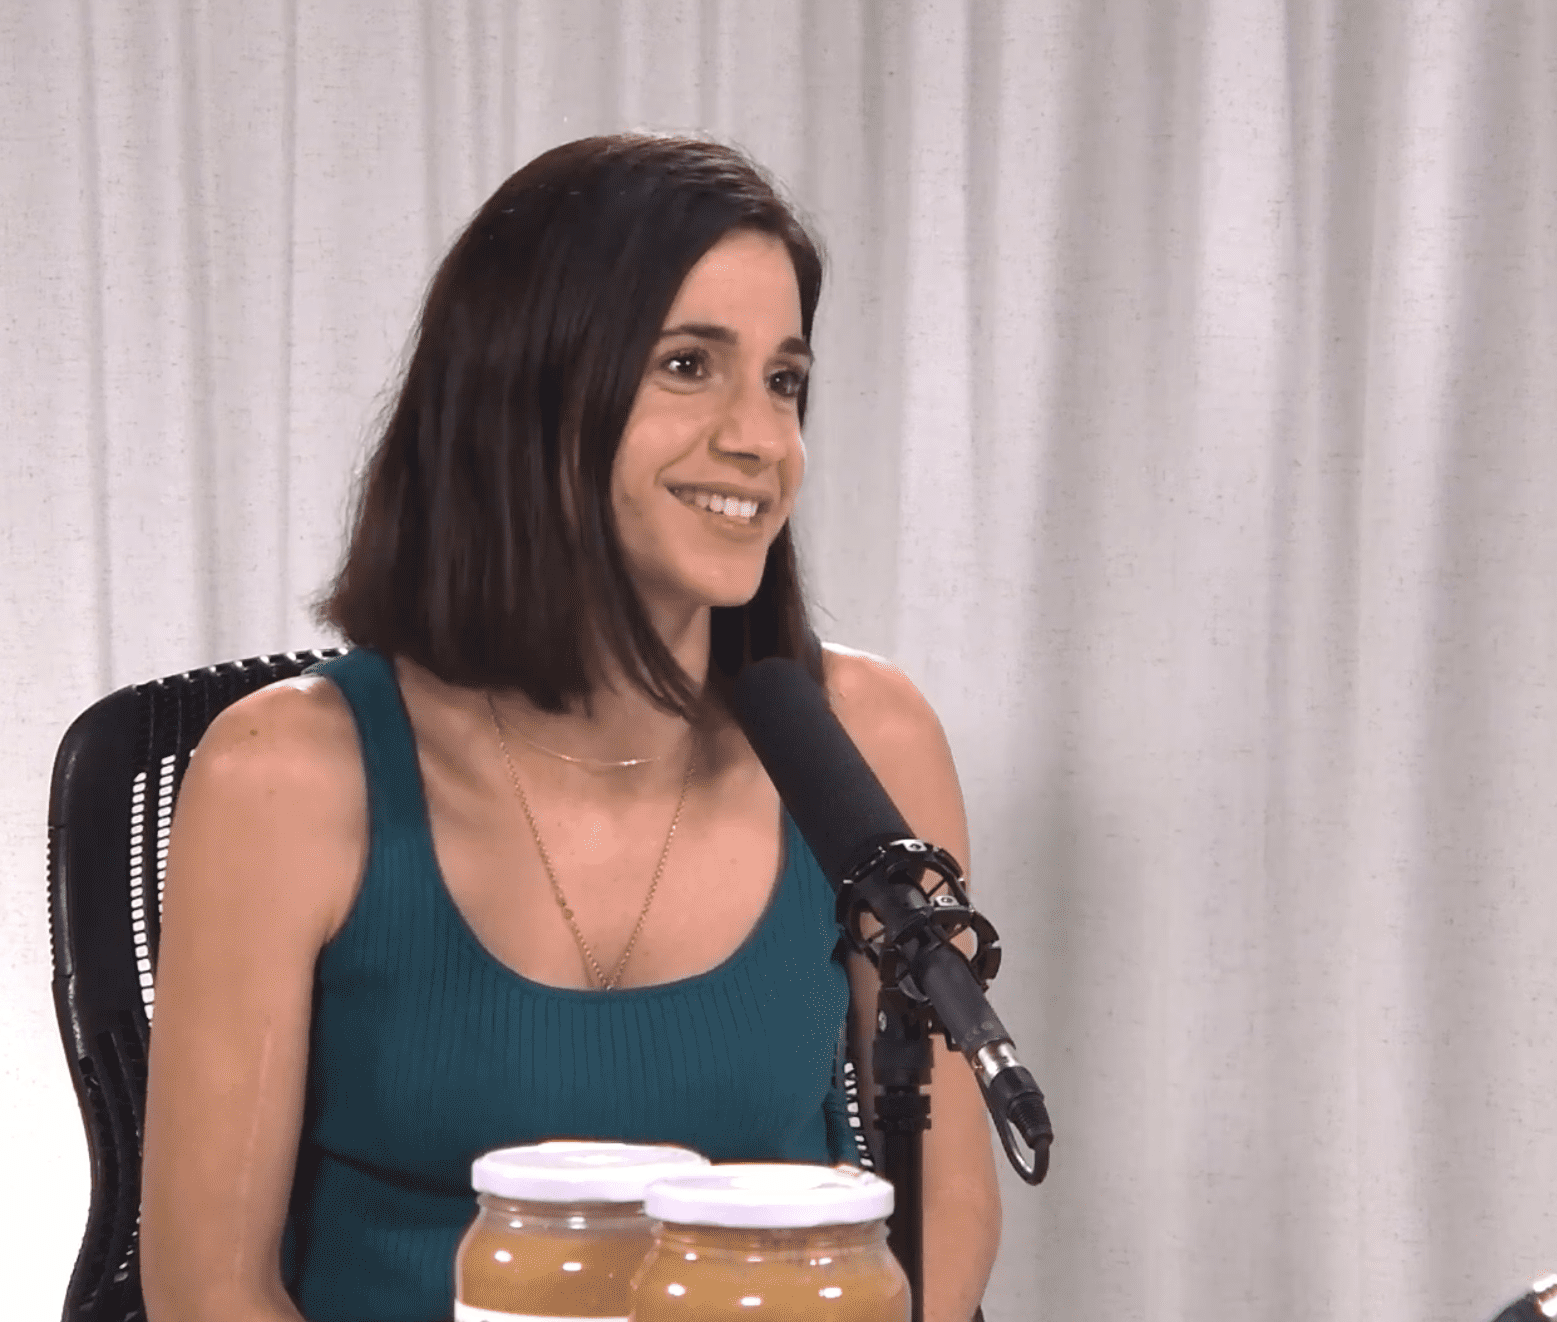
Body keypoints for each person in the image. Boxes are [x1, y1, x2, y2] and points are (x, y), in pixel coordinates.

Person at [138, 133, 1001, 1322]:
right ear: (522, 392)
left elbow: (945, 1209)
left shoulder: (868, 741)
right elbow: (209, 1288)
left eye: (783, 380)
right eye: (688, 365)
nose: (761, 439)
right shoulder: (282, 773)